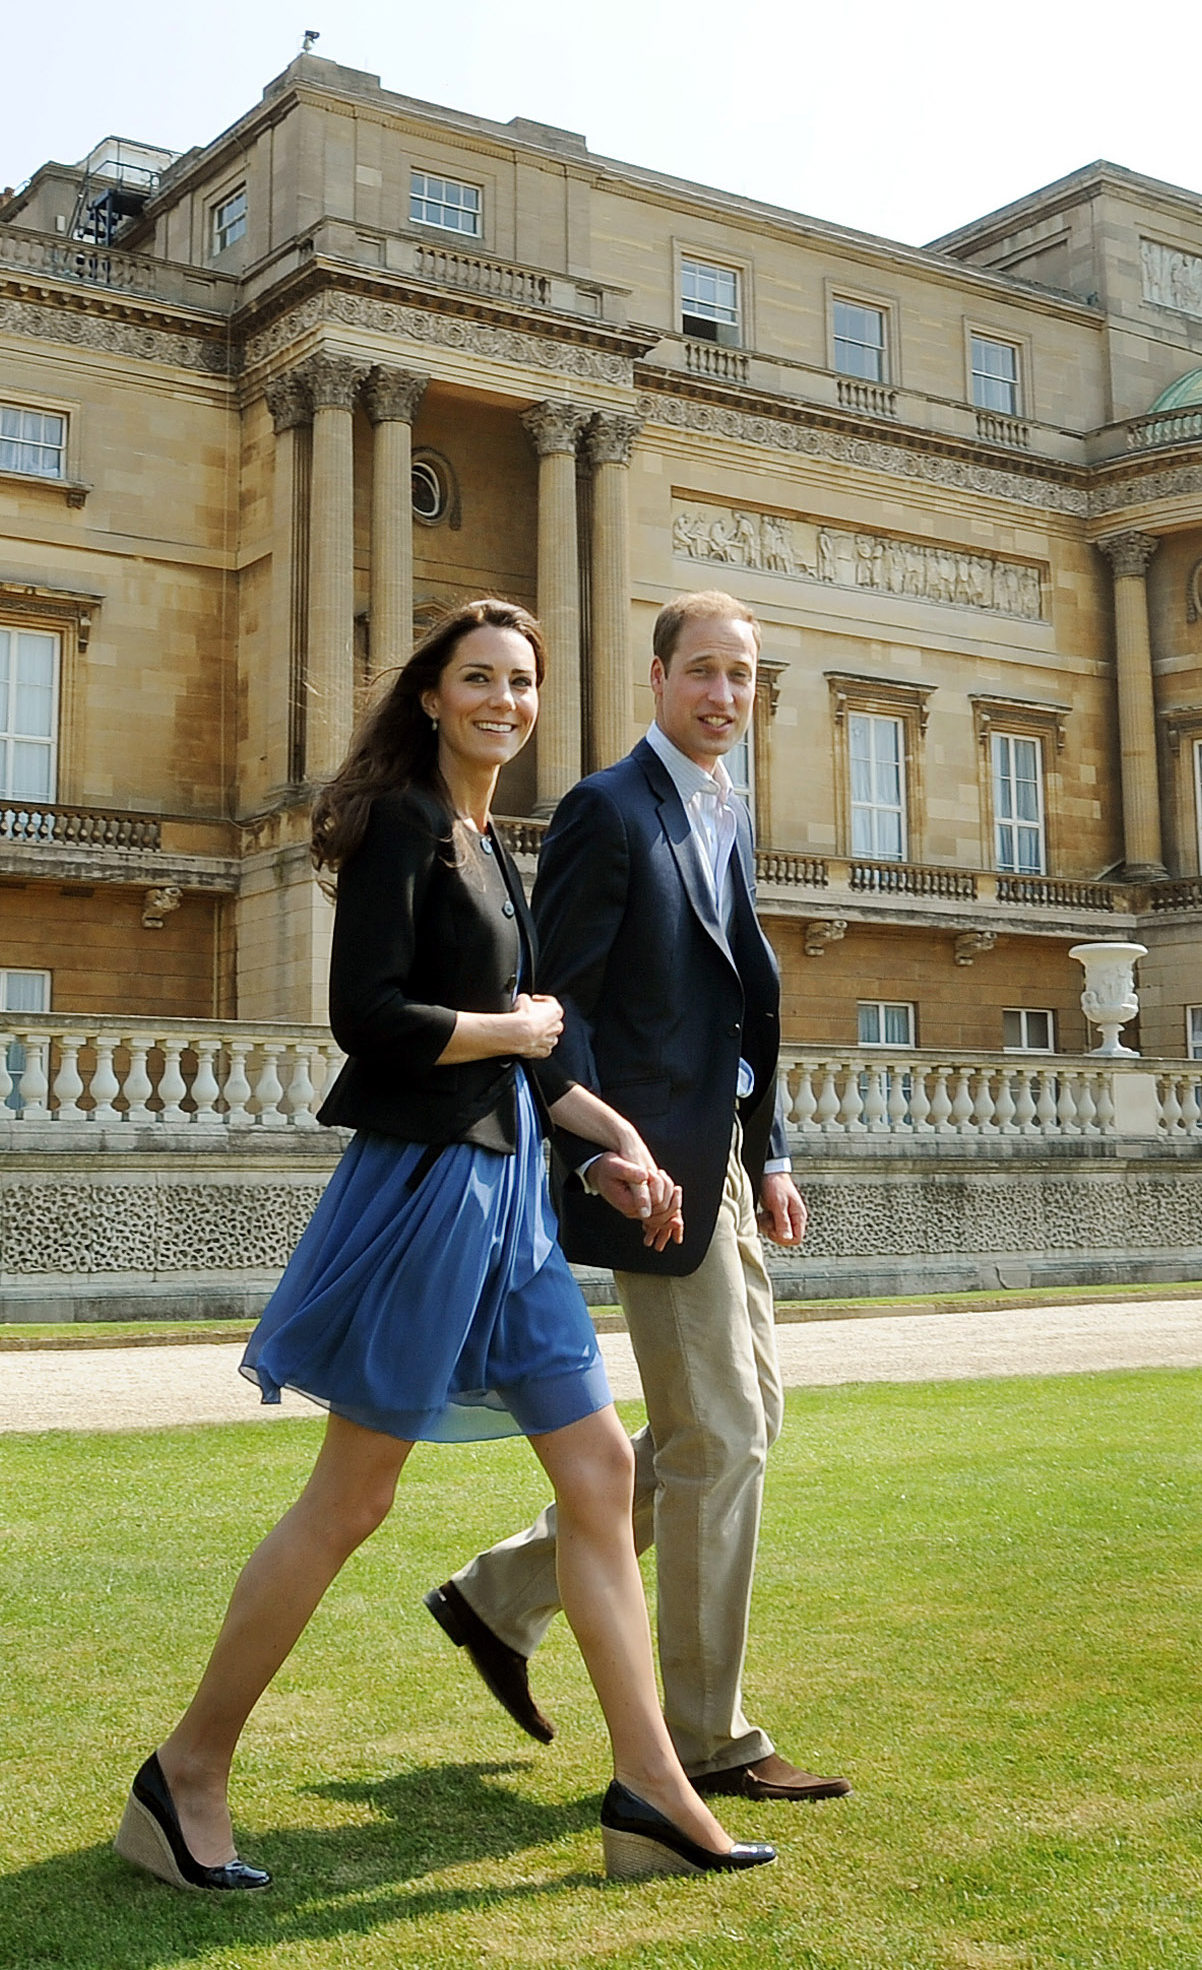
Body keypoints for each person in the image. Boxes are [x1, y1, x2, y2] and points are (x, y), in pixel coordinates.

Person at [116, 599, 776, 1892]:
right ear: (431, 694)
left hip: (517, 1192)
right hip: (426, 1191)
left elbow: (532, 1047)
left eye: (522, 682)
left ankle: (651, 1784)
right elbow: (369, 1016)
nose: (505, 701)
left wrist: (610, 1141)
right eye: (479, 679)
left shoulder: (491, 838)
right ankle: (186, 1767)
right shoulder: (406, 824)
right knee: (353, 1496)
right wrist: (517, 1039)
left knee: (597, 1472)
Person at [426, 589, 849, 1806]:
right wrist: (605, 1146)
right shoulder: (612, 810)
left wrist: (769, 1153)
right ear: (658, 680)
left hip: (720, 1157)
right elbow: (564, 1007)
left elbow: (739, 1008)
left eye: (743, 677)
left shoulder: (727, 812)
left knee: (730, 1422)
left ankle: (497, 1595)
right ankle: (709, 1738)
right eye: (704, 672)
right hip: (649, 1171)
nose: (725, 695)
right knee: (724, 1437)